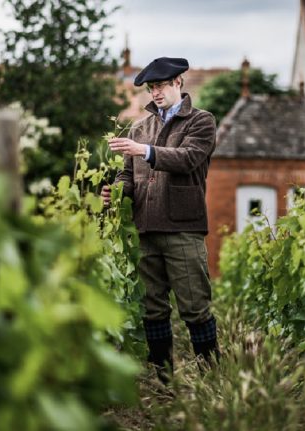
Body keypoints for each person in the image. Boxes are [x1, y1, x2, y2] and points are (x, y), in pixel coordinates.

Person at [101, 57, 219, 383]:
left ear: (178, 83)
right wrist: (115, 192)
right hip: (146, 229)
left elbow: (188, 159)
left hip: (183, 228)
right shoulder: (139, 127)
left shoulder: (200, 121)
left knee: (195, 307)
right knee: (152, 310)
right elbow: (128, 176)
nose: (155, 92)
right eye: (151, 87)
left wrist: (146, 151)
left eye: (161, 85)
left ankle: (213, 379)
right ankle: (162, 380)